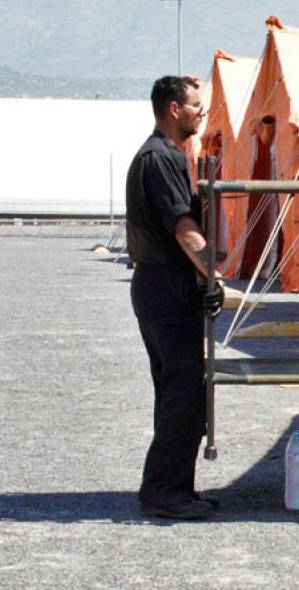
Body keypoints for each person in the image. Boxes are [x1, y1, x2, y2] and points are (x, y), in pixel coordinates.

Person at [126, 75, 221, 519]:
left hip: (165, 285)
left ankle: (176, 487)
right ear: (172, 108)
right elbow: (185, 229)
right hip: (164, 286)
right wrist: (215, 278)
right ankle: (163, 491)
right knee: (183, 390)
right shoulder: (159, 159)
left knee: (181, 390)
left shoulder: (166, 156)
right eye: (195, 105)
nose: (201, 111)